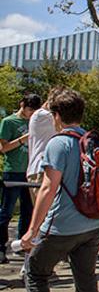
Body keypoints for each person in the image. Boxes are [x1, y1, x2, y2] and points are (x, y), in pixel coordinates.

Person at [16, 88, 99, 292]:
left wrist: (32, 230)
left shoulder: (58, 143)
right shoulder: (91, 141)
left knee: (34, 272)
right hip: (93, 222)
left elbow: (47, 188)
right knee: (86, 282)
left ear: (56, 115)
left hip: (63, 224)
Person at [0, 93, 42, 264]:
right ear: (22, 105)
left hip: (30, 171)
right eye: (30, 110)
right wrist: (23, 140)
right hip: (13, 171)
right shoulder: (9, 122)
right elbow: (4, 148)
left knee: (28, 211)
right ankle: (1, 247)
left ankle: (22, 245)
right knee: (6, 211)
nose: (31, 114)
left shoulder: (35, 122)